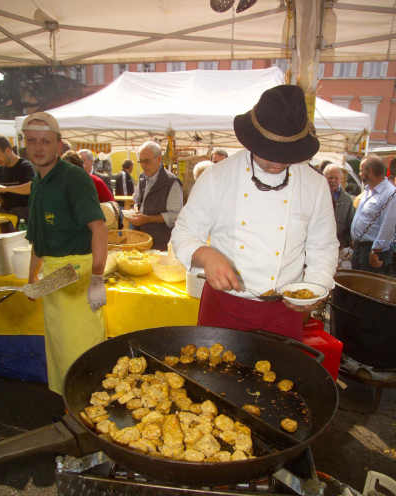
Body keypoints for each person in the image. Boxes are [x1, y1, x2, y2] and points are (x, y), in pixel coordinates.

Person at [171, 84, 339, 341]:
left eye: (285, 155)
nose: (275, 163)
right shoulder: (218, 177)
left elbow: (323, 247)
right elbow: (183, 233)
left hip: (285, 311)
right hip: (224, 308)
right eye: (267, 153)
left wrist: (315, 287)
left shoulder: (315, 186)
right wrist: (205, 254)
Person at [22, 112, 108, 395]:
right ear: (24, 143)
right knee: (59, 351)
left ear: (59, 145)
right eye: (32, 140)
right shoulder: (37, 182)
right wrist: (32, 278)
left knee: (82, 350)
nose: (38, 147)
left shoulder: (74, 179)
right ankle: (70, 409)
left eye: (45, 141)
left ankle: (87, 416)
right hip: (54, 279)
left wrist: (97, 278)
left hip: (78, 275)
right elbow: (38, 240)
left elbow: (99, 229)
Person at [128, 140, 183, 250]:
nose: (143, 165)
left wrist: (148, 219)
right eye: (141, 161)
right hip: (140, 239)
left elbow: (176, 215)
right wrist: (134, 210)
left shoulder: (172, 182)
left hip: (160, 242)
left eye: (147, 161)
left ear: (159, 159)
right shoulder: (142, 177)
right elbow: (137, 200)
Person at [350, 155, 396, 274]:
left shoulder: (390, 194)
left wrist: (376, 251)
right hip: (360, 249)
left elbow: (388, 227)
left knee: (367, 290)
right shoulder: (368, 190)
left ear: (369, 172)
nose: (359, 173)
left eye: (361, 170)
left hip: (372, 253)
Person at [0, 134, 35, 232]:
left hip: (25, 220)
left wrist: (6, 189)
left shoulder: (25, 166)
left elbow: (32, 187)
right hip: (5, 218)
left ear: (8, 151)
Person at [323, 163, 355, 248]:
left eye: (336, 178)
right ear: (324, 178)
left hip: (338, 245)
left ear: (341, 179)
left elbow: (350, 223)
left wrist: (346, 244)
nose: (333, 180)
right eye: (330, 178)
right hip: (319, 243)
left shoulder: (347, 200)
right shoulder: (317, 196)